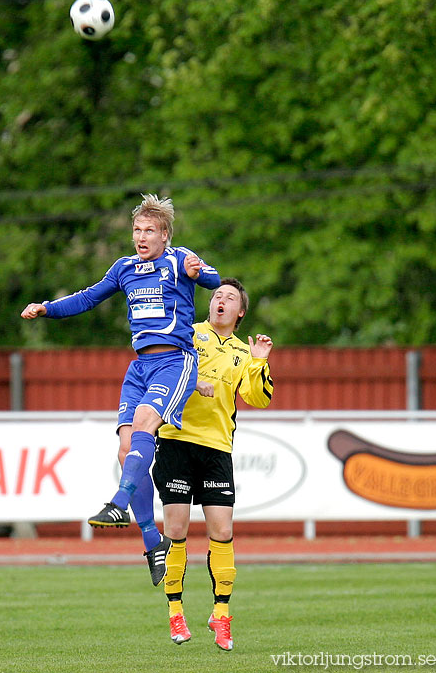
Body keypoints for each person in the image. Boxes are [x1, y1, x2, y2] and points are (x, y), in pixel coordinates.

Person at [21, 194, 220, 586]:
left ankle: (120, 502)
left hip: (174, 361)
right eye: (136, 230)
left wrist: (200, 274)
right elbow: (87, 298)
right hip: (140, 367)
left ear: (165, 235)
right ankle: (152, 541)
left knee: (146, 422)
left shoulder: (179, 258)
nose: (141, 237)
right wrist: (47, 308)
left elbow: (215, 280)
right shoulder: (124, 268)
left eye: (149, 230)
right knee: (127, 448)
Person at [152, 278, 273, 650]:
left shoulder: (242, 351)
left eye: (230, 298)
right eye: (217, 295)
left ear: (240, 312)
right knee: (177, 528)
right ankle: (175, 612)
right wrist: (194, 380)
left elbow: (258, 398)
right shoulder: (189, 335)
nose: (220, 300)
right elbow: (162, 367)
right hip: (176, 440)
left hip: (217, 448)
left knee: (222, 531)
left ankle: (221, 615)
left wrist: (258, 362)